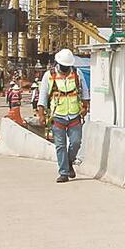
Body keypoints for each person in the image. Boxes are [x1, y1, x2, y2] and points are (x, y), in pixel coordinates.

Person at [37, 48, 90, 183]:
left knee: (76, 142)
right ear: (58, 63)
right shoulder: (49, 76)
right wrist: (41, 115)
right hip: (57, 116)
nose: (66, 68)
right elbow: (42, 96)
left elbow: (84, 91)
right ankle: (64, 172)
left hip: (74, 114)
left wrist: (85, 107)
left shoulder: (77, 74)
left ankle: (69, 161)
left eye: (68, 66)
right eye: (64, 66)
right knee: (60, 145)